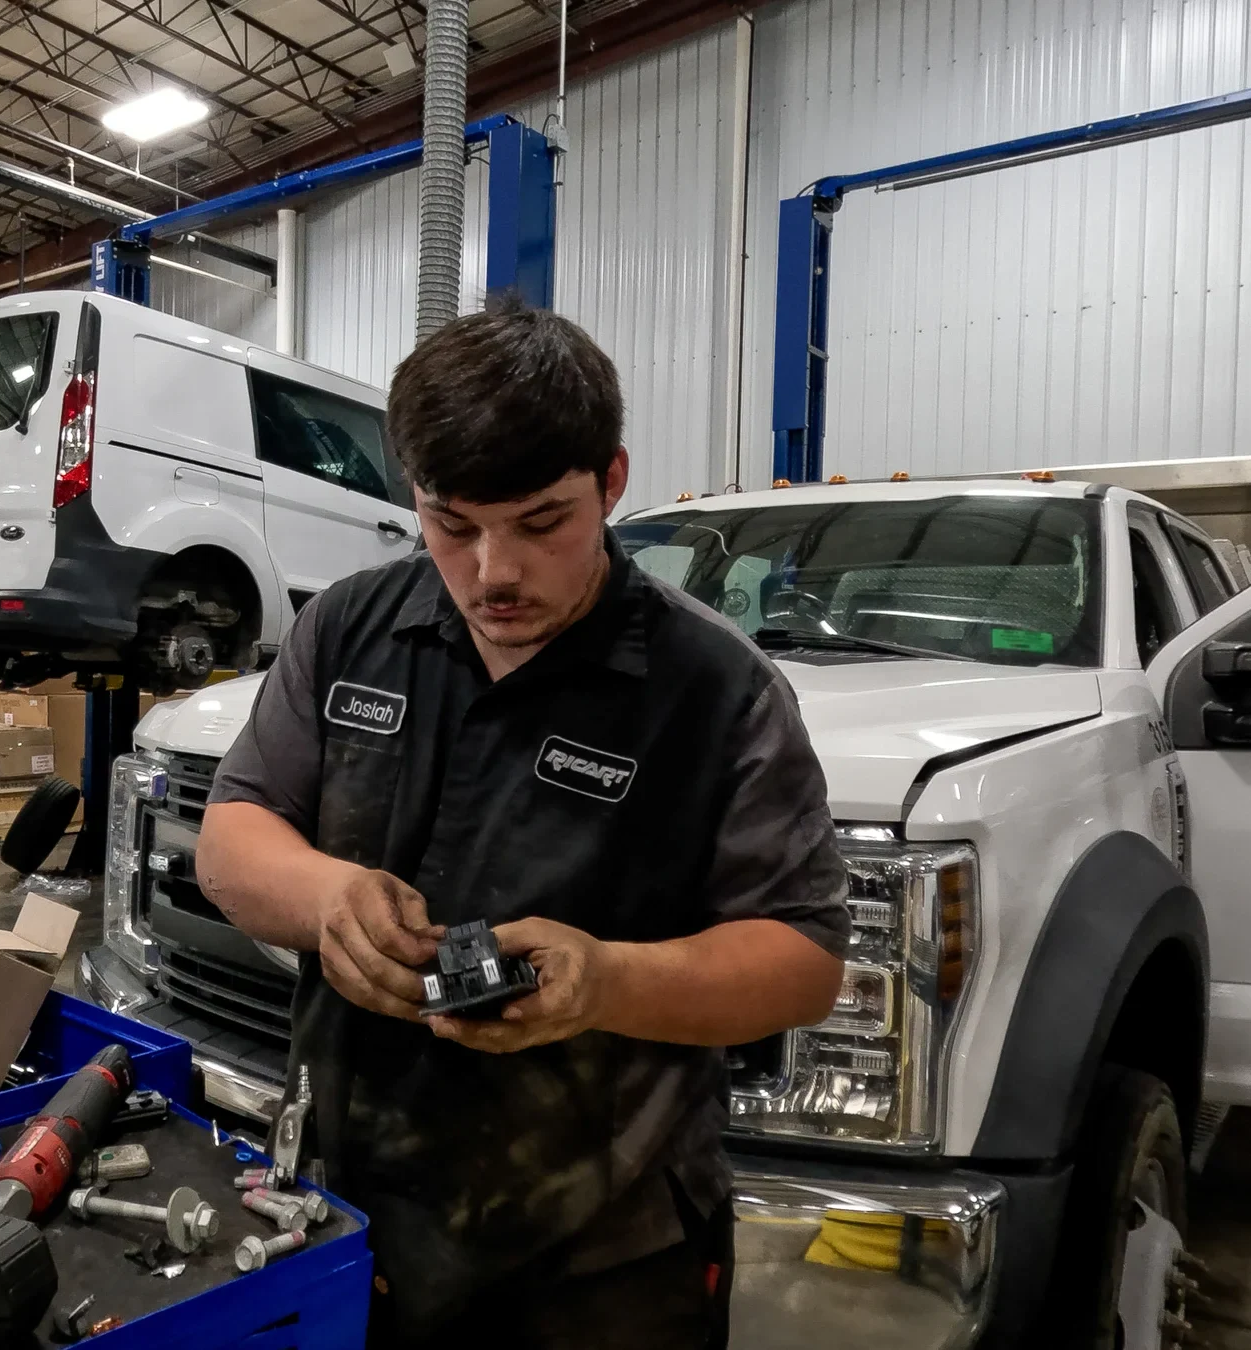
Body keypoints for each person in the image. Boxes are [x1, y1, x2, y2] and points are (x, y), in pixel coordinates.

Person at [193, 300, 850, 1349]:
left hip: (603, 1260)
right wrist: (329, 899)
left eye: (543, 524)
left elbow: (803, 961)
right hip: (344, 1214)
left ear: (612, 482)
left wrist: (609, 981)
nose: (494, 573)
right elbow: (235, 831)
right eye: (452, 524)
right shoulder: (348, 629)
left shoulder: (718, 691)